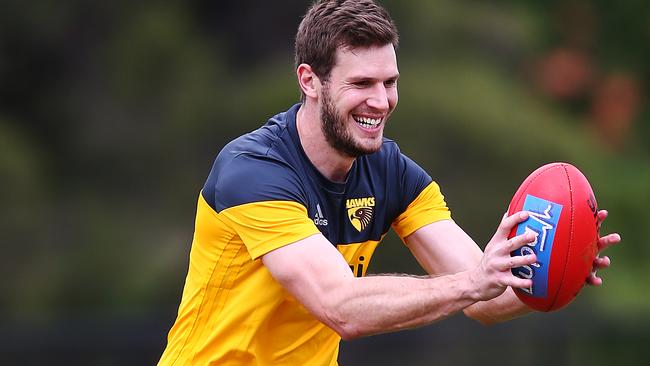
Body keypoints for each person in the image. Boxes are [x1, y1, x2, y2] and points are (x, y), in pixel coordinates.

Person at [157, 1, 620, 365]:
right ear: (310, 81)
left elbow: (485, 297)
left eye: (389, 82)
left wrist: (550, 272)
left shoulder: (392, 172)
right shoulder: (253, 170)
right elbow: (341, 307)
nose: (380, 101)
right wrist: (473, 282)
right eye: (361, 83)